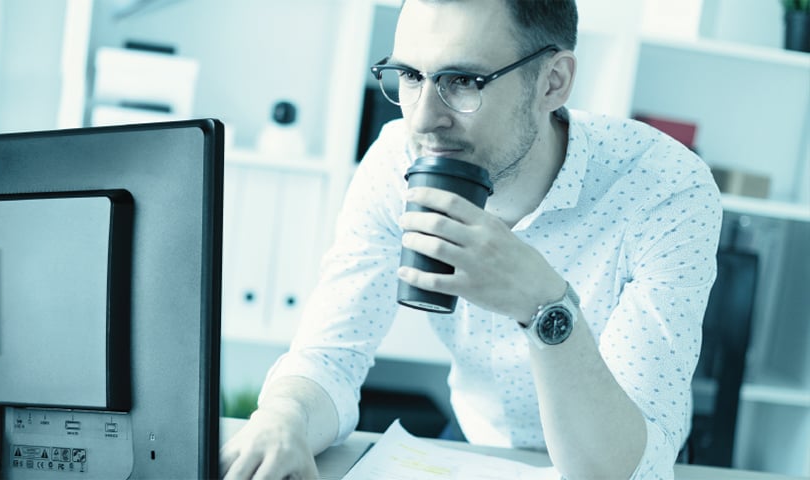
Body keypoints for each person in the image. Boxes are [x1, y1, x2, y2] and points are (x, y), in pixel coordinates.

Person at [220, 0, 722, 478]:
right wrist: (283, 416)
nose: (420, 119)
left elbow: (627, 473)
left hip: (610, 448)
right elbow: (332, 355)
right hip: (472, 444)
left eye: (463, 81)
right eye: (412, 76)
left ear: (553, 81)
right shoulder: (396, 160)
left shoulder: (664, 185)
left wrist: (544, 304)